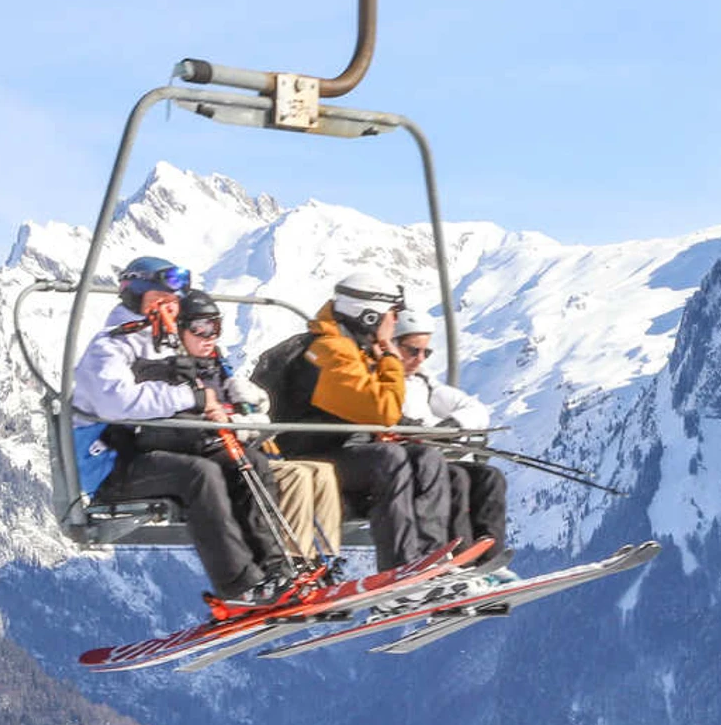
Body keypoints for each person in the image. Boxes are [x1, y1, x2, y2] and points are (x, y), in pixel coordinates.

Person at [72, 256, 292, 612]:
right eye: (159, 300)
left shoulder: (165, 343)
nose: (169, 309)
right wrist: (192, 398)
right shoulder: (110, 347)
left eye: (173, 302)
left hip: (158, 447)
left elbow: (198, 389)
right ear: (135, 297)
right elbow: (116, 402)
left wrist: (227, 402)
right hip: (113, 464)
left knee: (247, 463)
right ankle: (238, 585)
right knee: (198, 475)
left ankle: (276, 569)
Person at [271, 267, 452, 572]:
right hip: (308, 456)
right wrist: (391, 359)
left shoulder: (357, 350)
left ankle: (430, 559)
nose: (395, 321)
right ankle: (400, 567)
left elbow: (382, 411)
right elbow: (382, 410)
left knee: (426, 458)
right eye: (393, 313)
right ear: (370, 316)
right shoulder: (330, 351)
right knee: (389, 459)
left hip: (339, 450)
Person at [175, 289, 344, 571]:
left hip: (240, 448)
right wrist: (238, 423)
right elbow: (195, 421)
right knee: (296, 476)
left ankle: (324, 559)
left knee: (323, 472)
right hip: (217, 456)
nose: (210, 336)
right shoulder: (178, 371)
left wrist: (254, 406)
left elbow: (241, 412)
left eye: (215, 326)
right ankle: (295, 563)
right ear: (180, 329)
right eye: (200, 328)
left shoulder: (215, 367)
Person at [392, 308, 507, 552]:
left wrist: (451, 427)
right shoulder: (379, 381)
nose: (420, 359)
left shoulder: (422, 381)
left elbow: (475, 409)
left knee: (489, 477)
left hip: (432, 459)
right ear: (392, 345)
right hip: (404, 464)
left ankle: (489, 555)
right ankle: (456, 555)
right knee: (456, 479)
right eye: (413, 351)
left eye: (426, 352)